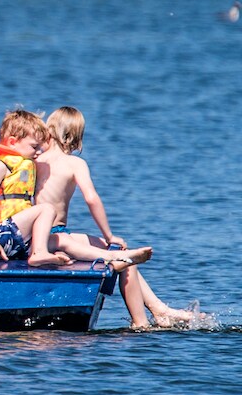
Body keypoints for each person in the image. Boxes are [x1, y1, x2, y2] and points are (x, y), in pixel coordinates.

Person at [37, 106, 192, 328]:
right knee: (123, 255)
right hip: (56, 236)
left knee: (122, 254)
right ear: (74, 137)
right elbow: (92, 198)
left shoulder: (36, 160)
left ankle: (159, 309)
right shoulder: (74, 163)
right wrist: (108, 235)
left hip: (41, 235)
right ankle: (141, 323)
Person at [0, 109, 73, 267]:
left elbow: (47, 145)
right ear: (13, 142)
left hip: (15, 238)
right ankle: (39, 253)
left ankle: (111, 255)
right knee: (47, 209)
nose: (38, 153)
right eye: (34, 147)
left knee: (64, 241)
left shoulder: (24, 164)